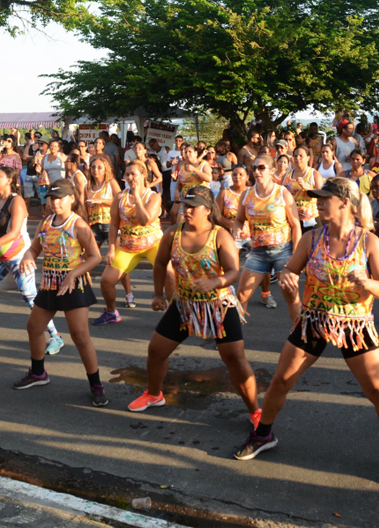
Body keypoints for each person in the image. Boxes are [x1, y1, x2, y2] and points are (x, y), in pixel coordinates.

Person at [233, 178, 379, 490]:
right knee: (281, 380)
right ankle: (263, 434)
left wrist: (367, 283)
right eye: (317, 198)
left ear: (345, 204)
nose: (318, 203)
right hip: (313, 321)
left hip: (355, 326)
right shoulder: (311, 239)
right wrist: (287, 280)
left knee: (378, 391)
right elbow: (290, 270)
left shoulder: (369, 242)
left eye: (325, 198)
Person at [128, 186, 260, 426]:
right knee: (156, 350)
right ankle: (154, 394)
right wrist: (158, 294)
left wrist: (214, 282)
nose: (185, 211)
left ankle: (256, 412)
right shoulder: (171, 234)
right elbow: (159, 264)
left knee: (235, 358)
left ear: (207, 210)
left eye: (192, 207)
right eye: (184, 206)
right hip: (185, 304)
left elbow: (232, 272)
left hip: (218, 304)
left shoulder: (220, 235)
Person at [14, 180, 107, 406]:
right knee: (34, 328)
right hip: (50, 283)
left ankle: (96, 385)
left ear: (71, 199)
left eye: (60, 198)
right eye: (52, 198)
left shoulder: (79, 225)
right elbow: (35, 247)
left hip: (73, 284)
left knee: (80, 336)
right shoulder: (45, 223)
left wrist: (73, 274)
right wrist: (28, 255)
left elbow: (95, 256)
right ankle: (38, 374)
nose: (55, 202)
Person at [0, 166, 65, 355]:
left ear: (9, 180)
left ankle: (56, 336)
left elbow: (13, 233)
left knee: (30, 298)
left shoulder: (16, 201)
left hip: (19, 256)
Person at [94, 161, 166, 325]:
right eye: (127, 174)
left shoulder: (153, 197)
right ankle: (111, 312)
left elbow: (144, 220)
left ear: (143, 175)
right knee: (106, 281)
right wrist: (111, 249)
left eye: (134, 174)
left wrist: (137, 197)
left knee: (170, 274)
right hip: (128, 246)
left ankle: (179, 314)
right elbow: (113, 224)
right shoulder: (120, 197)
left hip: (153, 245)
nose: (130, 177)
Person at [233, 155, 303, 320]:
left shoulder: (282, 193)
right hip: (257, 252)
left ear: (272, 171)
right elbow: (238, 220)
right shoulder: (246, 194)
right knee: (241, 296)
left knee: (291, 295)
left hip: (283, 251)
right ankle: (232, 340)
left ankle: (300, 336)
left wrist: (295, 255)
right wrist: (236, 229)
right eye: (254, 168)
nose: (256, 171)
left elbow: (295, 226)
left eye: (261, 168)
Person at [283, 146, 323, 234]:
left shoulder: (314, 174)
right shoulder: (287, 175)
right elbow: (279, 195)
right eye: (296, 156)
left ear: (308, 157)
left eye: (301, 156)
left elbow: (321, 195)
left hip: (310, 219)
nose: (298, 158)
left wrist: (307, 188)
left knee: (313, 245)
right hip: (292, 219)